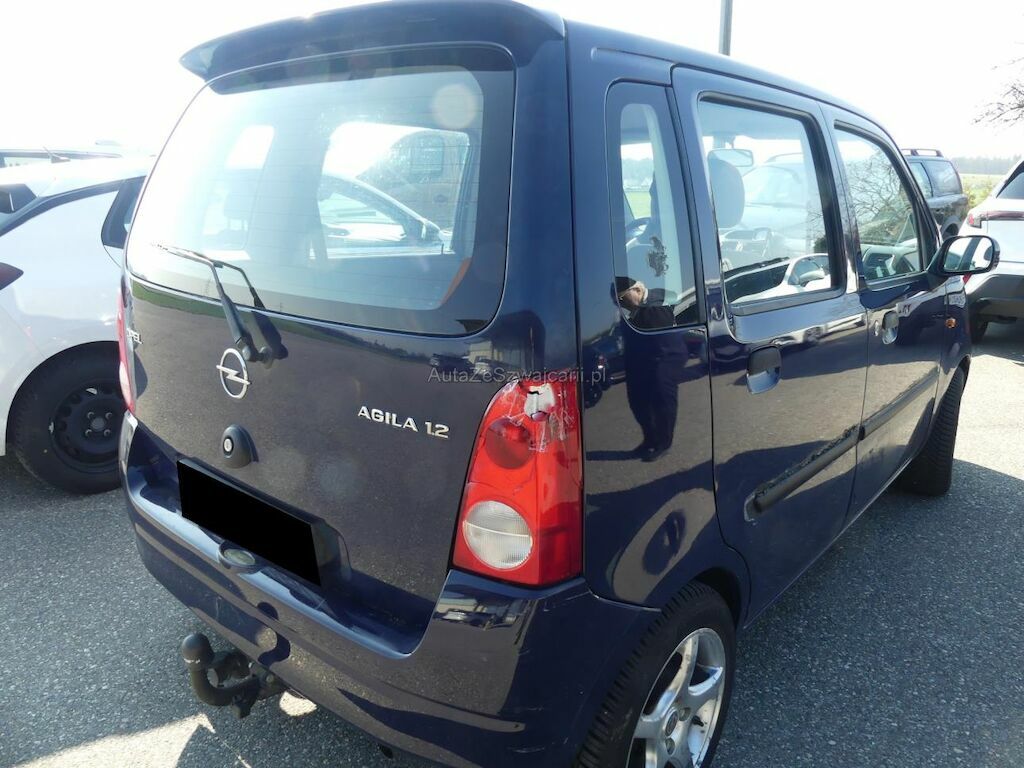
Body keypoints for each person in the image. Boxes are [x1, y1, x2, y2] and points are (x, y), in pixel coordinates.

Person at [615, 276, 686, 462]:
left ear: (637, 290)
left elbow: (661, 340)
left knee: (663, 397)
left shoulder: (657, 303)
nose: (620, 304)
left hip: (666, 357)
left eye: (622, 298)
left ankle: (664, 442)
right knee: (637, 400)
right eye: (616, 301)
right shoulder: (632, 312)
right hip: (642, 360)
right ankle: (650, 439)